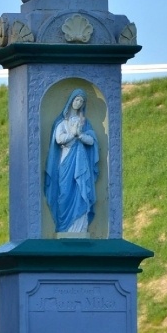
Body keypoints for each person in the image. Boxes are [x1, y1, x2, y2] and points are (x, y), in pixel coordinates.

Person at [44, 89, 100, 235]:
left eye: (81, 101)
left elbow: (91, 141)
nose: (78, 102)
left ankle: (80, 228)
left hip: (81, 163)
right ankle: (64, 227)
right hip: (65, 161)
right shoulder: (62, 122)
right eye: (76, 99)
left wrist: (80, 134)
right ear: (71, 101)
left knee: (81, 190)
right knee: (64, 193)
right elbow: (58, 139)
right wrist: (72, 135)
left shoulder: (84, 123)